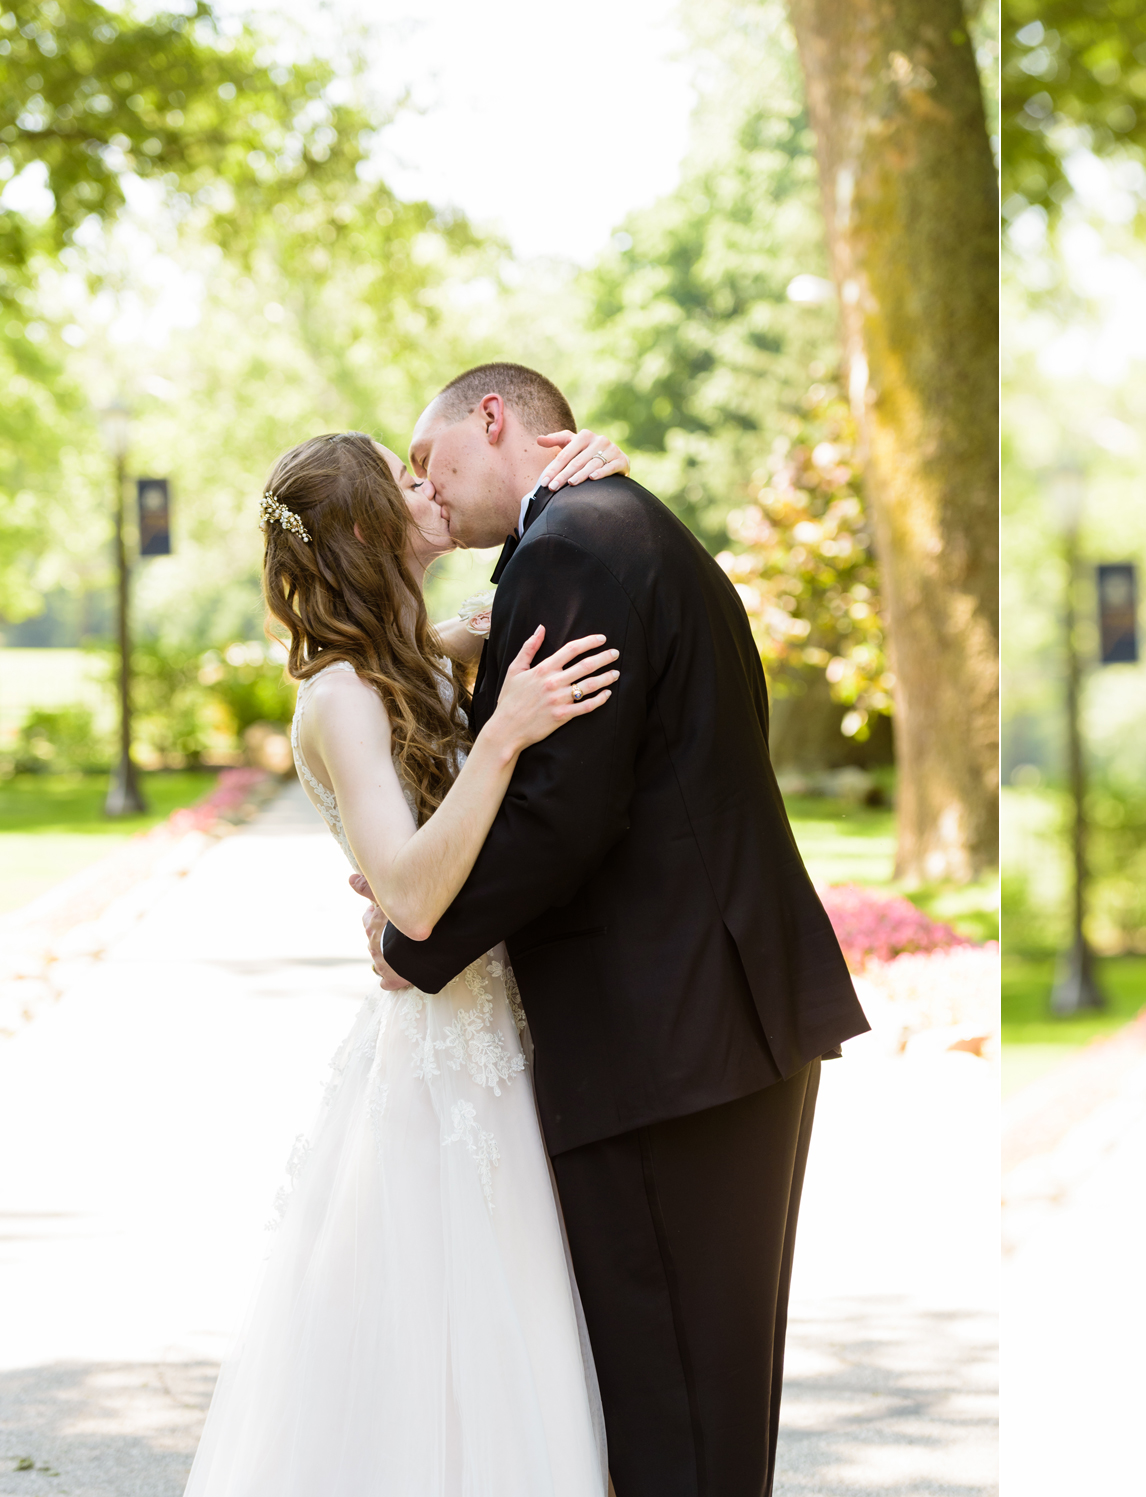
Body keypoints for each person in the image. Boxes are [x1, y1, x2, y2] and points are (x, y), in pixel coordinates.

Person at [364, 363, 871, 1497]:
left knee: (670, 1409)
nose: (428, 490)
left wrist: (415, 942)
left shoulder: (569, 547)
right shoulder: (623, 523)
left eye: (431, 458)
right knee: (711, 1397)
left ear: (492, 419)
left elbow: (562, 812)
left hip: (662, 1040)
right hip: (721, 1022)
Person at [184, 424, 634, 1495]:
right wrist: (503, 733)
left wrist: (589, 461)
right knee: (442, 1356)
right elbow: (417, 898)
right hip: (441, 1070)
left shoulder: (413, 654)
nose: (425, 484)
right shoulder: (339, 695)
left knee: (517, 1341)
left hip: (500, 1039)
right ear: (357, 527)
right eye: (399, 477)